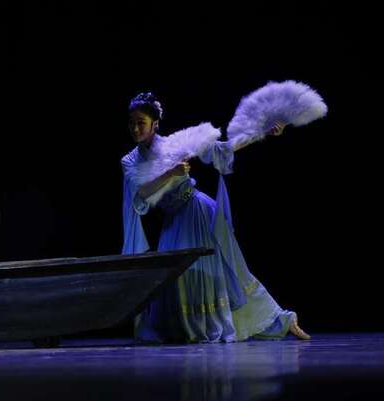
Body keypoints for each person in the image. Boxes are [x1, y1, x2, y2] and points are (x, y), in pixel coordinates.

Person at [121, 92, 310, 342]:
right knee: (179, 281)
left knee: (229, 273)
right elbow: (141, 192)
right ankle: (192, 329)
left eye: (141, 122)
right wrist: (170, 173)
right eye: (132, 123)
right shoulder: (129, 160)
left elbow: (222, 149)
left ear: (155, 124)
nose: (135, 128)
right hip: (173, 221)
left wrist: (263, 132)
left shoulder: (175, 145)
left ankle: (281, 319)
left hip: (198, 212)